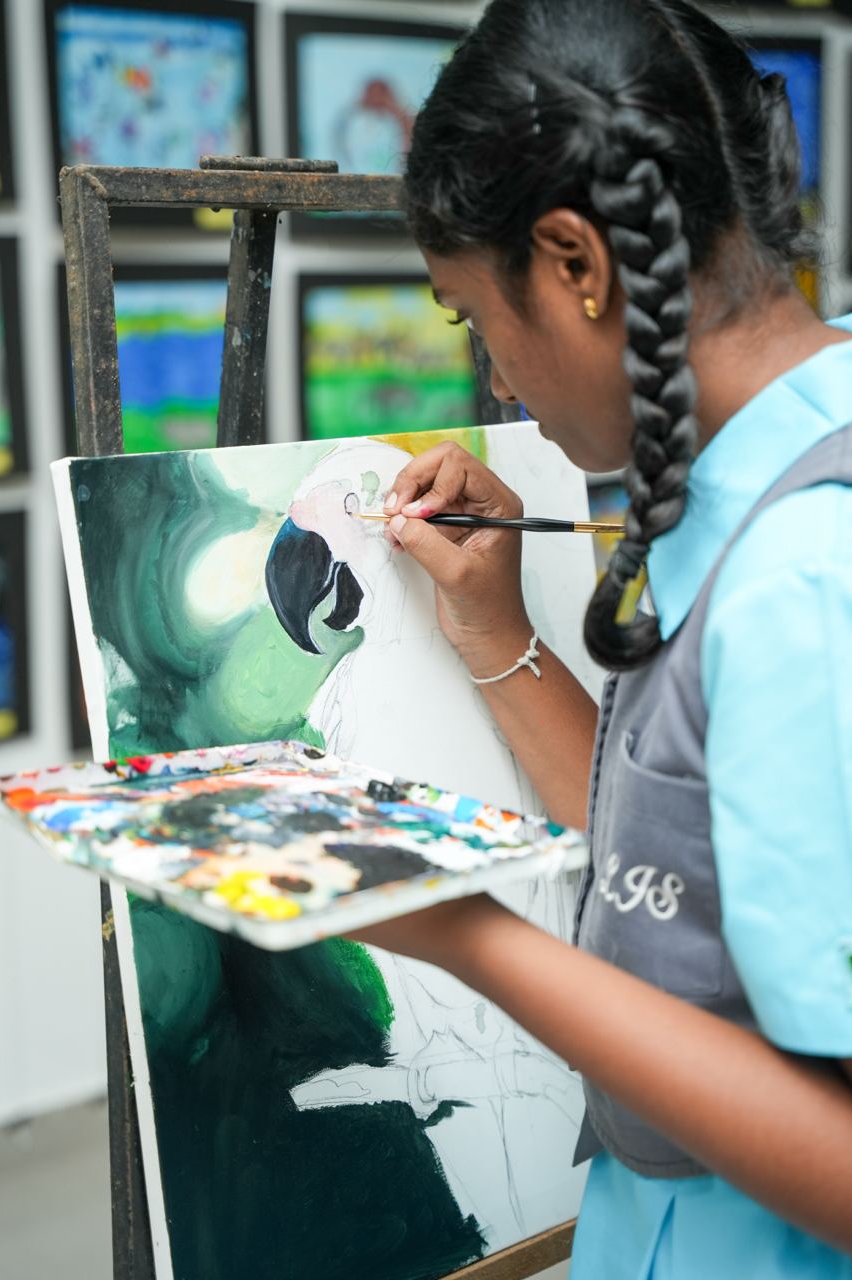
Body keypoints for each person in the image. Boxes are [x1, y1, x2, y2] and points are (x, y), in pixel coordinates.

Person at [349, 0, 852, 1274]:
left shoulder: (805, 573)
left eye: (475, 320)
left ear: (576, 263)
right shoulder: (775, 462)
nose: (501, 386)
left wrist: (470, 937)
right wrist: (494, 628)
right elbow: (693, 854)